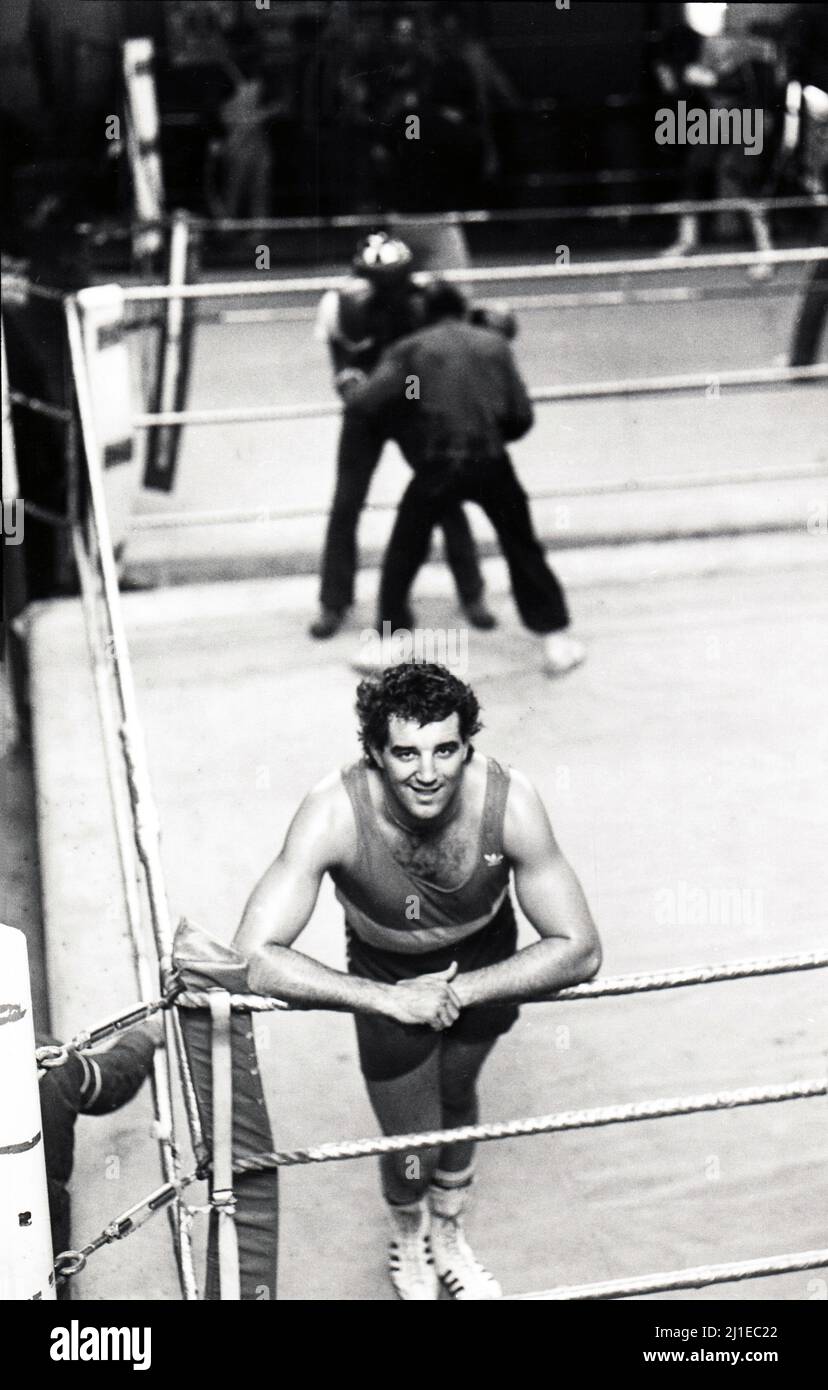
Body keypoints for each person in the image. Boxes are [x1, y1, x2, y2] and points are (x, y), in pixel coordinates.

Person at [234, 662, 601, 1300]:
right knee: (413, 1138)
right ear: (375, 753)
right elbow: (252, 956)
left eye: (444, 750)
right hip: (386, 971)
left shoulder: (510, 800)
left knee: (457, 1094)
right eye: (405, 752)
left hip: (486, 959)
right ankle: (408, 1231)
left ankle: (449, 1234)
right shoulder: (332, 812)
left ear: (468, 745)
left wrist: (458, 993)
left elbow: (581, 949)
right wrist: (387, 998)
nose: (427, 773)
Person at [339, 282, 585, 678]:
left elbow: (368, 404)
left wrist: (352, 385)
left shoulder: (411, 348)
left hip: (437, 462)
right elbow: (521, 416)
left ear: (425, 313)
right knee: (522, 546)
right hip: (490, 459)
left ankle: (387, 642)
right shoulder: (495, 346)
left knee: (405, 550)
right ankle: (556, 639)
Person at [310, 232, 495, 639]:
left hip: (415, 410)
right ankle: (333, 602)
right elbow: (341, 365)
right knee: (346, 504)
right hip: (365, 414)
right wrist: (353, 388)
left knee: (446, 498)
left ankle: (472, 593)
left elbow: (457, 341)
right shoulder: (338, 304)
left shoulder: (429, 300)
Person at [38, 1021, 161, 1298]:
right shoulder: (49, 1063)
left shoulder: (50, 1064)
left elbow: (112, 1079)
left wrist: (141, 1040)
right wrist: (144, 1039)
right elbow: (113, 1080)